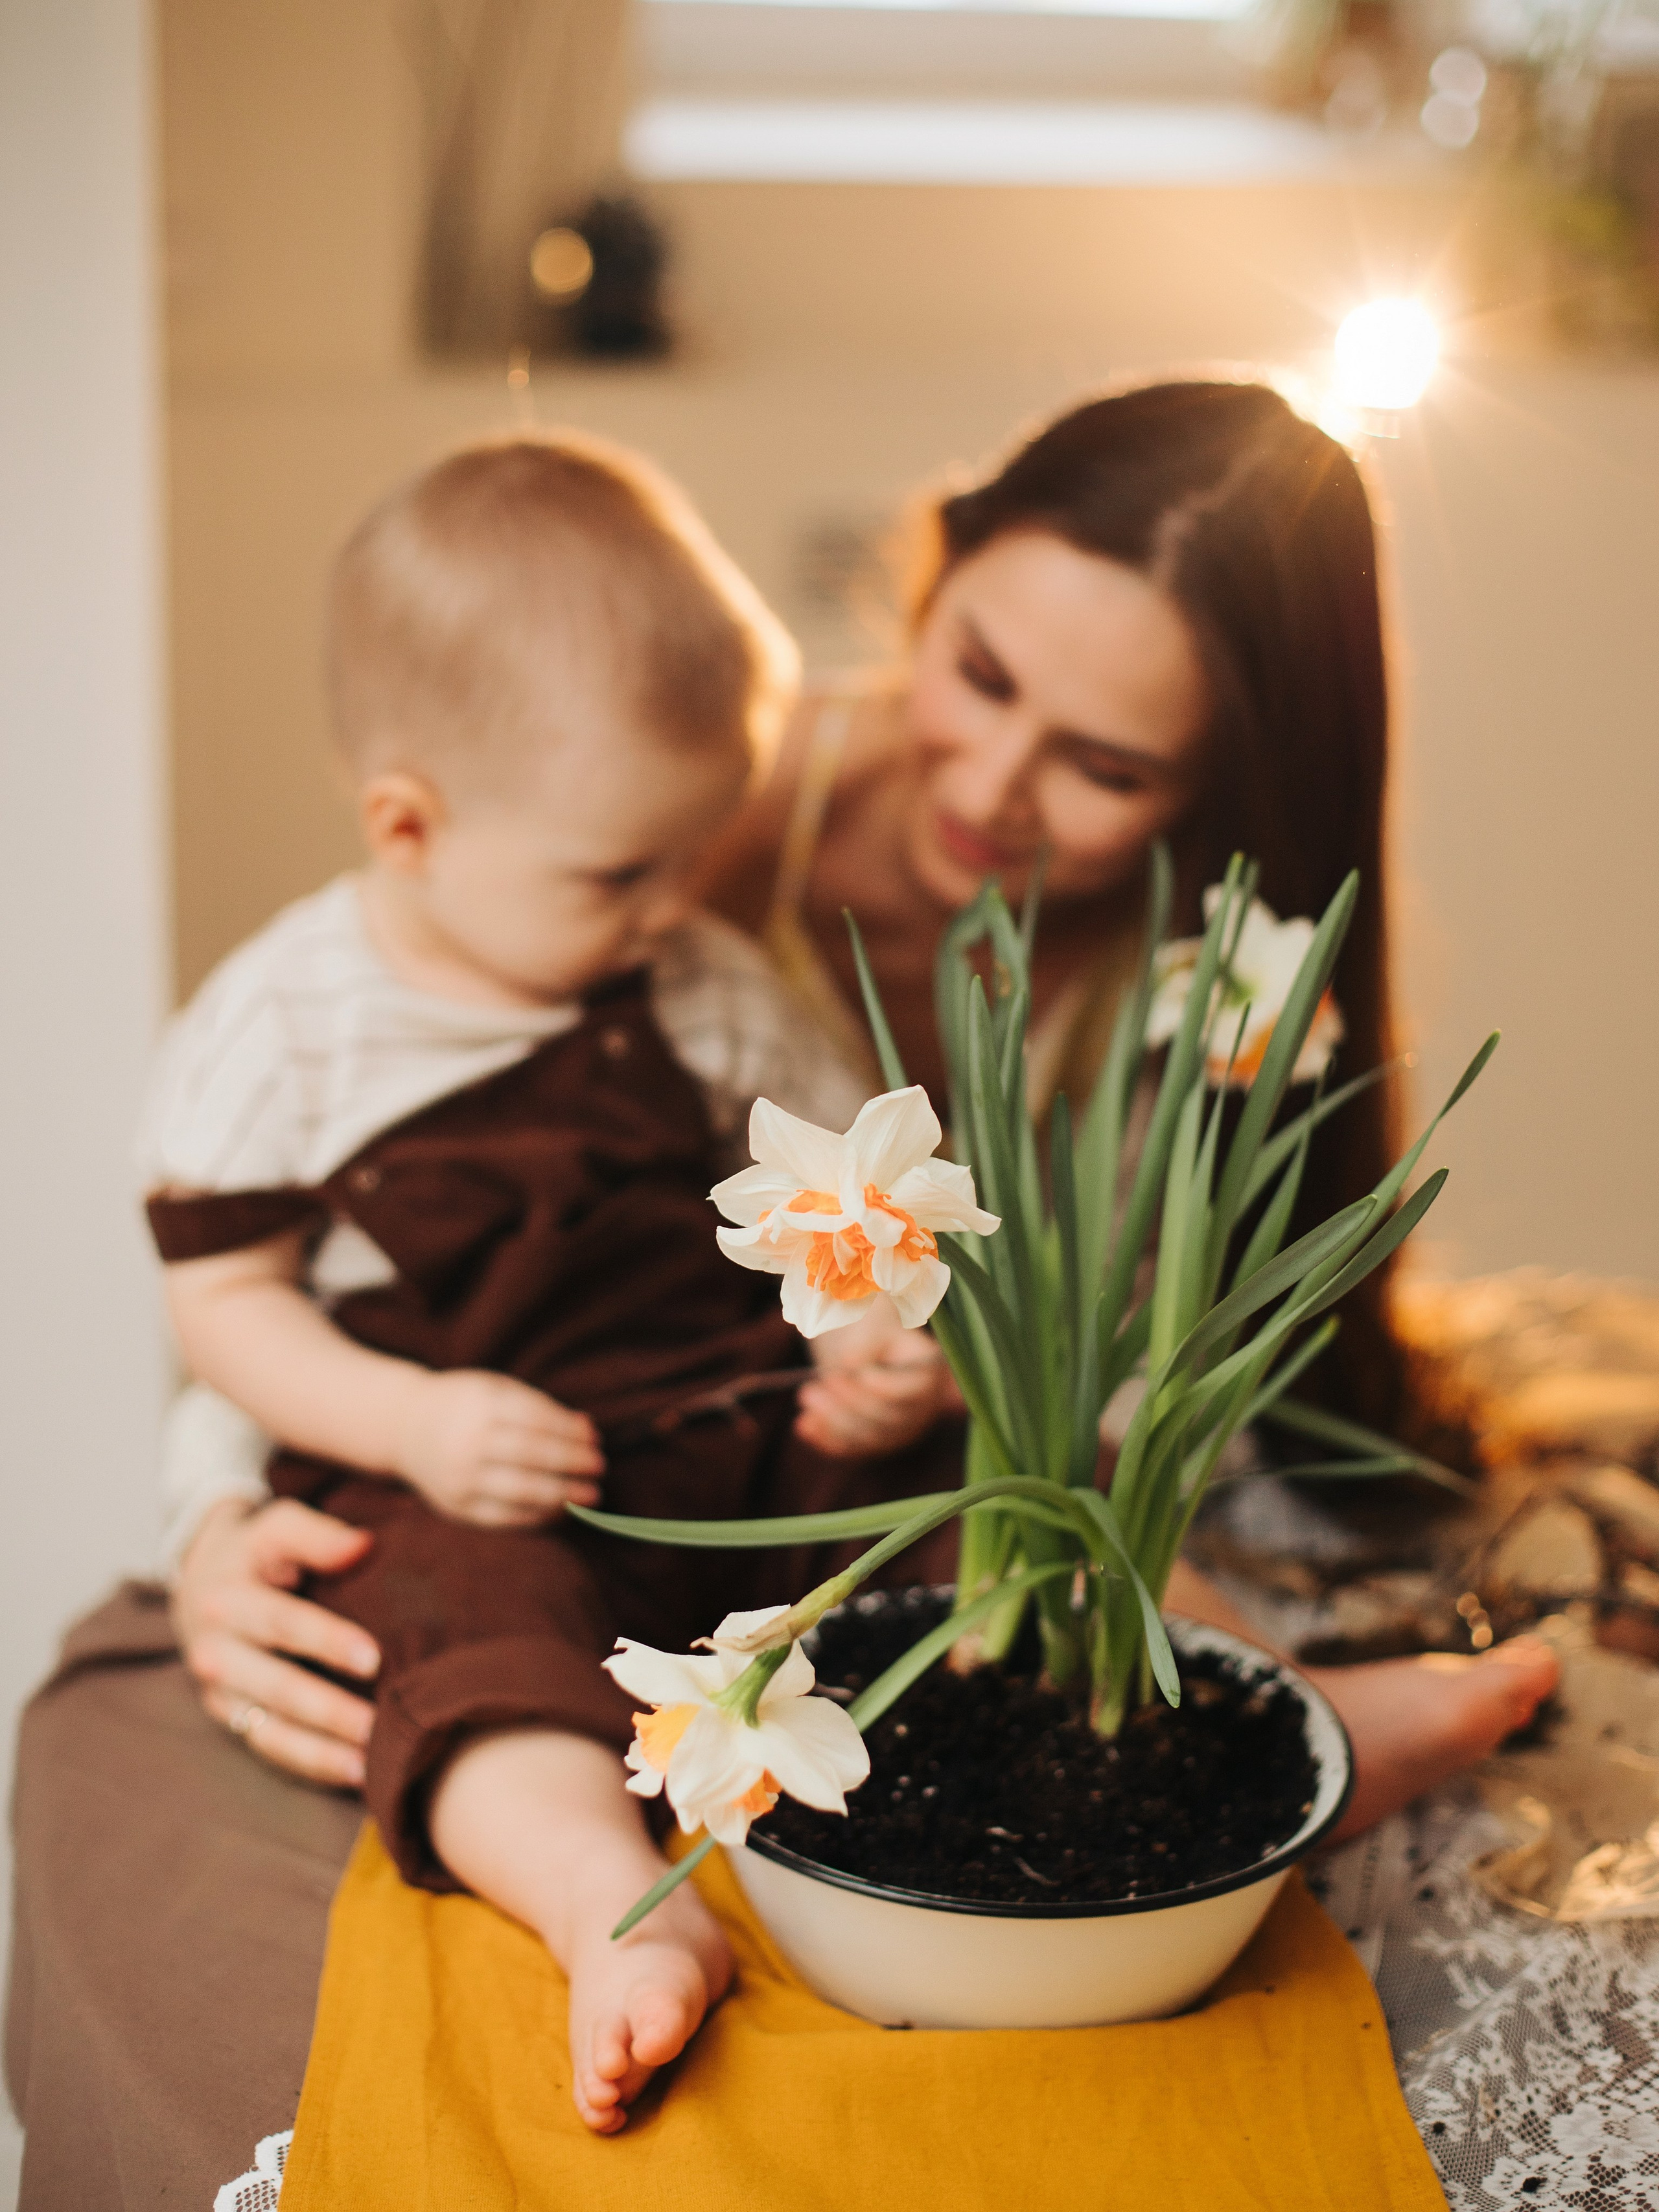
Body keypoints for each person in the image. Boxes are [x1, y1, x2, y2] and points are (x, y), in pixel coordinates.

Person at [141, 430, 955, 2135]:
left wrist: (869, 1347)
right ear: (408, 823)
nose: (675, 909)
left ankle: (1142, 1715)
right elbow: (226, 1308)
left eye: (690, 851)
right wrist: (409, 1418)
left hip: (731, 1442)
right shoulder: (284, 1026)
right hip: (471, 1472)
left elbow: (830, 1210)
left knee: (952, 1504)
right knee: (455, 1633)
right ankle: (608, 1898)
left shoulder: (711, 989)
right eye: (617, 874)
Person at [697, 378, 1560, 1821]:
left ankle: (1256, 1712)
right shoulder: (717, 802)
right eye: (977, 673)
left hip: (934, 1463)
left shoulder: (1196, 1003)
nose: (988, 784)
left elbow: (1100, 1418)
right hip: (635, 1364)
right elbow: (391, 1107)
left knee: (1026, 1481)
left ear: (1219, 788)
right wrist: (222, 1504)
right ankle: (1263, 1729)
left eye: (1104, 768)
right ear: (935, 561)